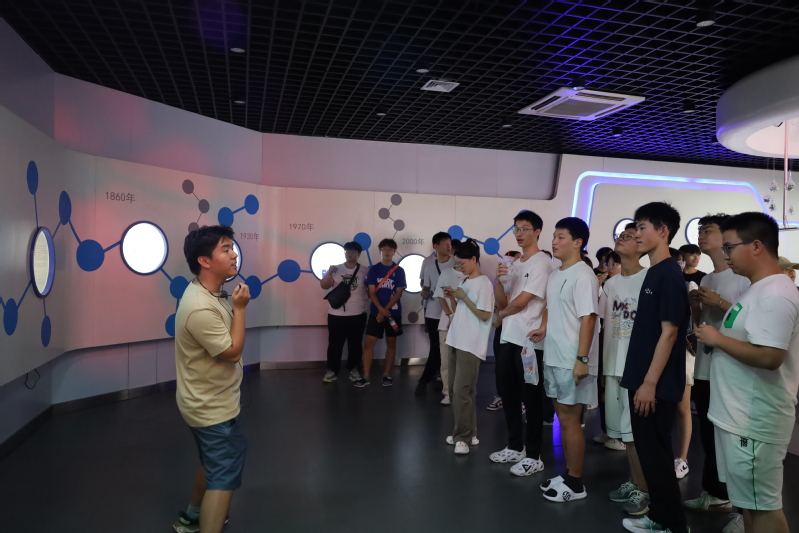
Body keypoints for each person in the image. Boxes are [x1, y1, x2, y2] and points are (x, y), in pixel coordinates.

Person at [696, 212, 799, 533]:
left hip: (754, 420)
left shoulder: (776, 294)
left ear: (756, 246)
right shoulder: (757, 290)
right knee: (750, 506)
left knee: (763, 508)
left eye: (730, 247)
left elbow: (770, 356)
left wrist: (717, 339)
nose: (725, 254)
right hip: (739, 417)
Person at [172, 225, 251, 533]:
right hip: (211, 408)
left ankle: (192, 517)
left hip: (207, 401)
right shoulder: (200, 307)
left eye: (232, 248)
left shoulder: (207, 292)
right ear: (204, 261)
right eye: (225, 249)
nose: (234, 255)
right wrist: (240, 309)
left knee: (212, 463)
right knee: (224, 477)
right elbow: (231, 352)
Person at [621, 202, 689, 533]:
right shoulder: (655, 271)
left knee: (657, 456)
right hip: (643, 379)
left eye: (642, 227)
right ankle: (662, 517)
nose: (636, 233)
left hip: (655, 384)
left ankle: (671, 523)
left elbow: (670, 332)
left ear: (663, 231)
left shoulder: (670, 274)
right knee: (651, 455)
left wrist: (649, 383)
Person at [683, 214, 749, 533]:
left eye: (707, 230)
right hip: (706, 368)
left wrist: (720, 302)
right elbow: (702, 325)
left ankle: (744, 510)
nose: (701, 236)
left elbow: (748, 321)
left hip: (731, 369)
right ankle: (716, 494)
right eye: (700, 230)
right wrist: (696, 306)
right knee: (708, 437)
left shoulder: (742, 278)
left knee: (732, 441)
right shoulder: (708, 278)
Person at [536, 217, 599, 502]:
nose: (554, 241)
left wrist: (582, 358)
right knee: (562, 417)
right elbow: (552, 307)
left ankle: (575, 483)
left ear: (577, 243)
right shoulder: (556, 274)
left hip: (572, 359)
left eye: (561, 236)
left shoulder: (583, 275)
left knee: (570, 420)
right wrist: (544, 328)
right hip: (554, 355)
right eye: (554, 236)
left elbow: (589, 318)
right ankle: (569, 473)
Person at [489, 211, 553, 476]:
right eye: (516, 228)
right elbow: (504, 301)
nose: (519, 233)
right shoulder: (515, 264)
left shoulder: (542, 263)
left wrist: (498, 317)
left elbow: (522, 302)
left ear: (537, 232)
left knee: (531, 398)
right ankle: (515, 446)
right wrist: (499, 281)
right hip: (508, 337)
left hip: (529, 342)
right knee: (509, 394)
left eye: (524, 228)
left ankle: (534, 455)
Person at [601, 223, 651, 516]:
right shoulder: (611, 284)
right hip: (613, 364)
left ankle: (645, 491)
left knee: (636, 435)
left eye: (629, 236)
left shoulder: (649, 279)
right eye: (620, 235)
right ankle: (635, 482)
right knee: (624, 434)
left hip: (637, 369)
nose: (622, 239)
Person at [442, 239, 495, 454]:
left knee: (462, 391)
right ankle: (469, 433)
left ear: (474, 259)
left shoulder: (484, 283)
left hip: (470, 343)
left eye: (462, 263)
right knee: (457, 391)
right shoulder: (465, 281)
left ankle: (462, 437)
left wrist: (464, 297)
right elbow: (462, 309)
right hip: (456, 339)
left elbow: (485, 315)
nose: (460, 267)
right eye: (457, 264)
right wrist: (454, 297)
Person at [356, 239, 407, 388]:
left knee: (391, 343)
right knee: (369, 343)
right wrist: (380, 309)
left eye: (390, 249)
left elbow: (399, 293)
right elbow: (371, 292)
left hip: (393, 314)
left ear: (394, 251)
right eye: (384, 249)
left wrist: (385, 310)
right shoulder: (374, 270)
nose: (387, 252)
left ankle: (387, 375)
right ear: (380, 251)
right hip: (376, 313)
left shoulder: (399, 271)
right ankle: (366, 376)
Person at [320, 241, 368, 384]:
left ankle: (354, 369)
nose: (349, 254)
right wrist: (329, 272)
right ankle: (332, 370)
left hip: (358, 314)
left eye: (352, 251)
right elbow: (324, 285)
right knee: (334, 344)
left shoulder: (365, 271)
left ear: (359, 254)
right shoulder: (336, 269)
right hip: (336, 314)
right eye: (347, 251)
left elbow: (370, 290)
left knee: (356, 344)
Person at [417, 232, 454, 396]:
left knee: (445, 349)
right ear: (436, 246)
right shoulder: (429, 264)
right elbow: (425, 287)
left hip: (451, 313)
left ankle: (427, 379)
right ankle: (428, 379)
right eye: (445, 243)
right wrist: (425, 293)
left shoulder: (456, 262)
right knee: (436, 347)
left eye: (450, 243)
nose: (449, 246)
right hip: (433, 312)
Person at [434, 240, 466, 405]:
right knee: (446, 360)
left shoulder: (473, 276)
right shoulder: (446, 273)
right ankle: (448, 392)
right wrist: (450, 315)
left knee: (464, 362)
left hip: (466, 325)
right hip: (446, 324)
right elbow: (440, 297)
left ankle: (465, 392)